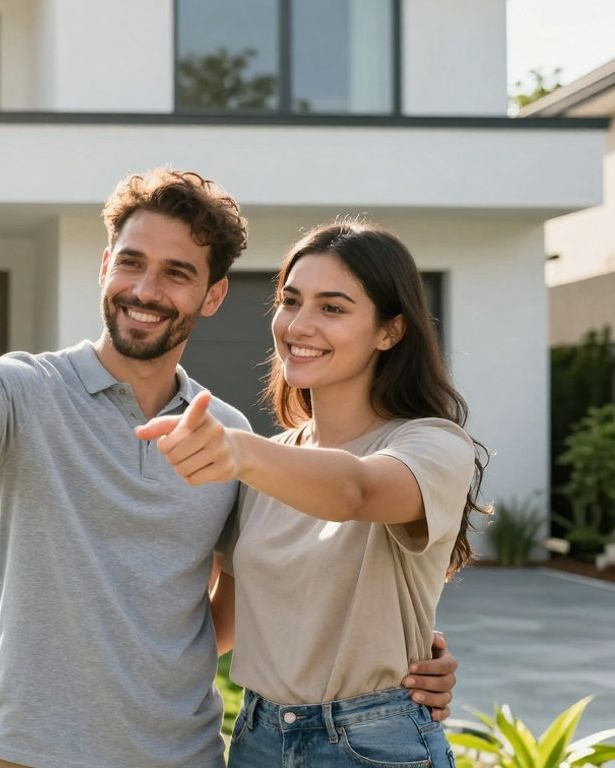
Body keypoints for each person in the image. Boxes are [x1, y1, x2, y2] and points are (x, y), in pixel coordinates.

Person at [0, 169, 457, 768]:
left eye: (177, 273)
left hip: (186, 752)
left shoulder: (229, 437)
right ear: (104, 266)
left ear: (213, 296)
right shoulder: (24, 390)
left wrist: (395, 671)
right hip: (37, 749)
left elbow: (248, 595)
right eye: (131, 263)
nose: (146, 290)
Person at [137, 221, 485, 767]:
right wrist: (74, 624)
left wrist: (241, 453)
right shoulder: (268, 463)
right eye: (291, 301)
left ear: (389, 331)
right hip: (257, 737)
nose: (298, 325)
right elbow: (220, 626)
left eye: (333, 308)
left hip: (373, 742)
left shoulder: (433, 444)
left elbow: (358, 490)